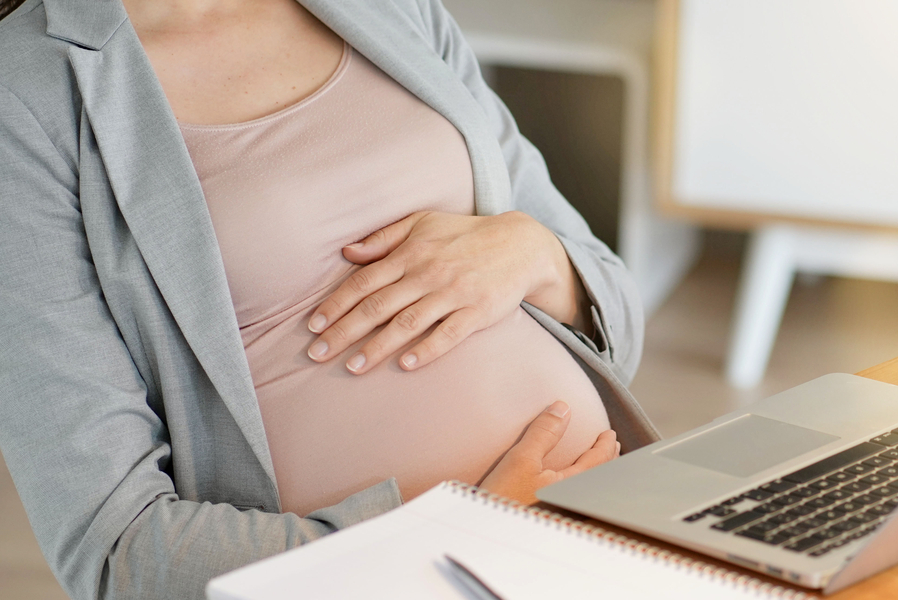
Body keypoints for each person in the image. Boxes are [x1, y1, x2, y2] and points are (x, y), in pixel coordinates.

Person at [0, 0, 660, 598]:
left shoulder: (390, 9)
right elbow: (114, 549)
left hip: (618, 524)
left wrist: (535, 255)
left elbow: (617, 320)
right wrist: (446, 538)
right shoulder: (28, 94)